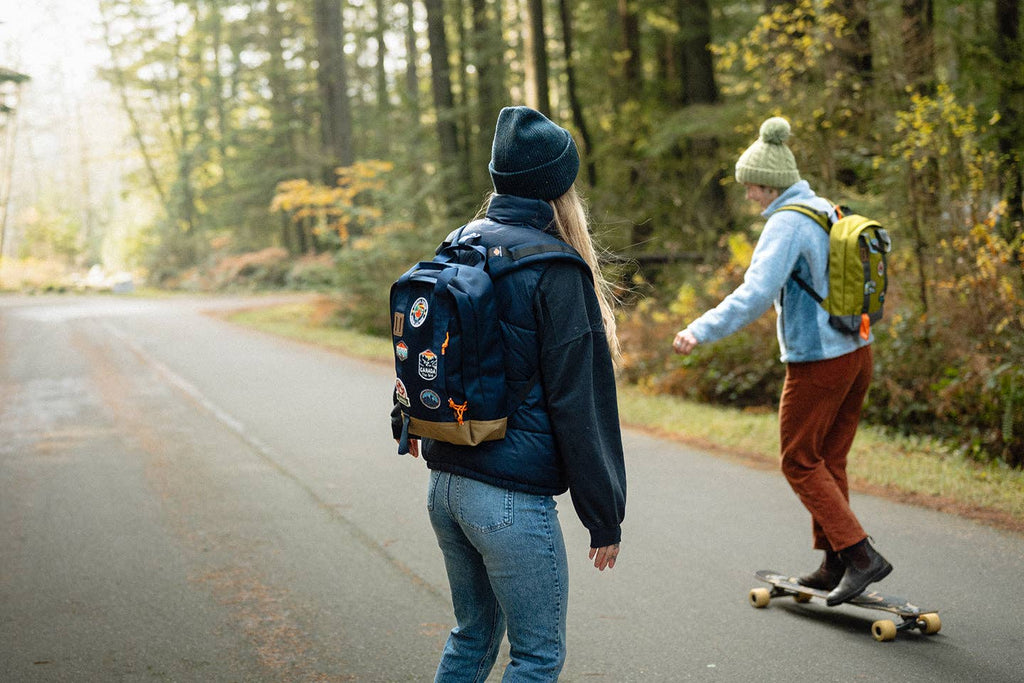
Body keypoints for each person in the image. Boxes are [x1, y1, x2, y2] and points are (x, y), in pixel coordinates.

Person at [393, 105, 626, 681]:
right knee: (536, 657)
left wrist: (407, 423)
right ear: (559, 185)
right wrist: (604, 517)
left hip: (445, 486)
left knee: (472, 640)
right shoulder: (558, 268)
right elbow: (580, 405)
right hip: (508, 502)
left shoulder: (461, 242)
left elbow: (426, 346)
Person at [672, 116, 891, 607]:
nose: (749, 195)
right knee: (828, 458)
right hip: (858, 350)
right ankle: (835, 561)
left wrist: (698, 330)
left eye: (751, 186)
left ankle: (860, 556)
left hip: (820, 359)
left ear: (768, 183)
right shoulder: (824, 209)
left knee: (797, 459)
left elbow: (755, 294)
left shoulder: (786, 223)